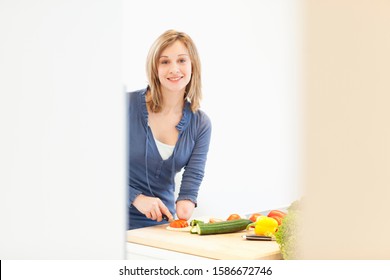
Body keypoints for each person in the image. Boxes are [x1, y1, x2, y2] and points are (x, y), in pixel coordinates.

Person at [127, 30, 212, 230]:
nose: (174, 69)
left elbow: (193, 176)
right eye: (165, 62)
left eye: (182, 60)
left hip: (159, 226)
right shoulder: (124, 106)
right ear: (154, 68)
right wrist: (136, 198)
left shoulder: (200, 124)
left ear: (193, 66)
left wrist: (185, 204)